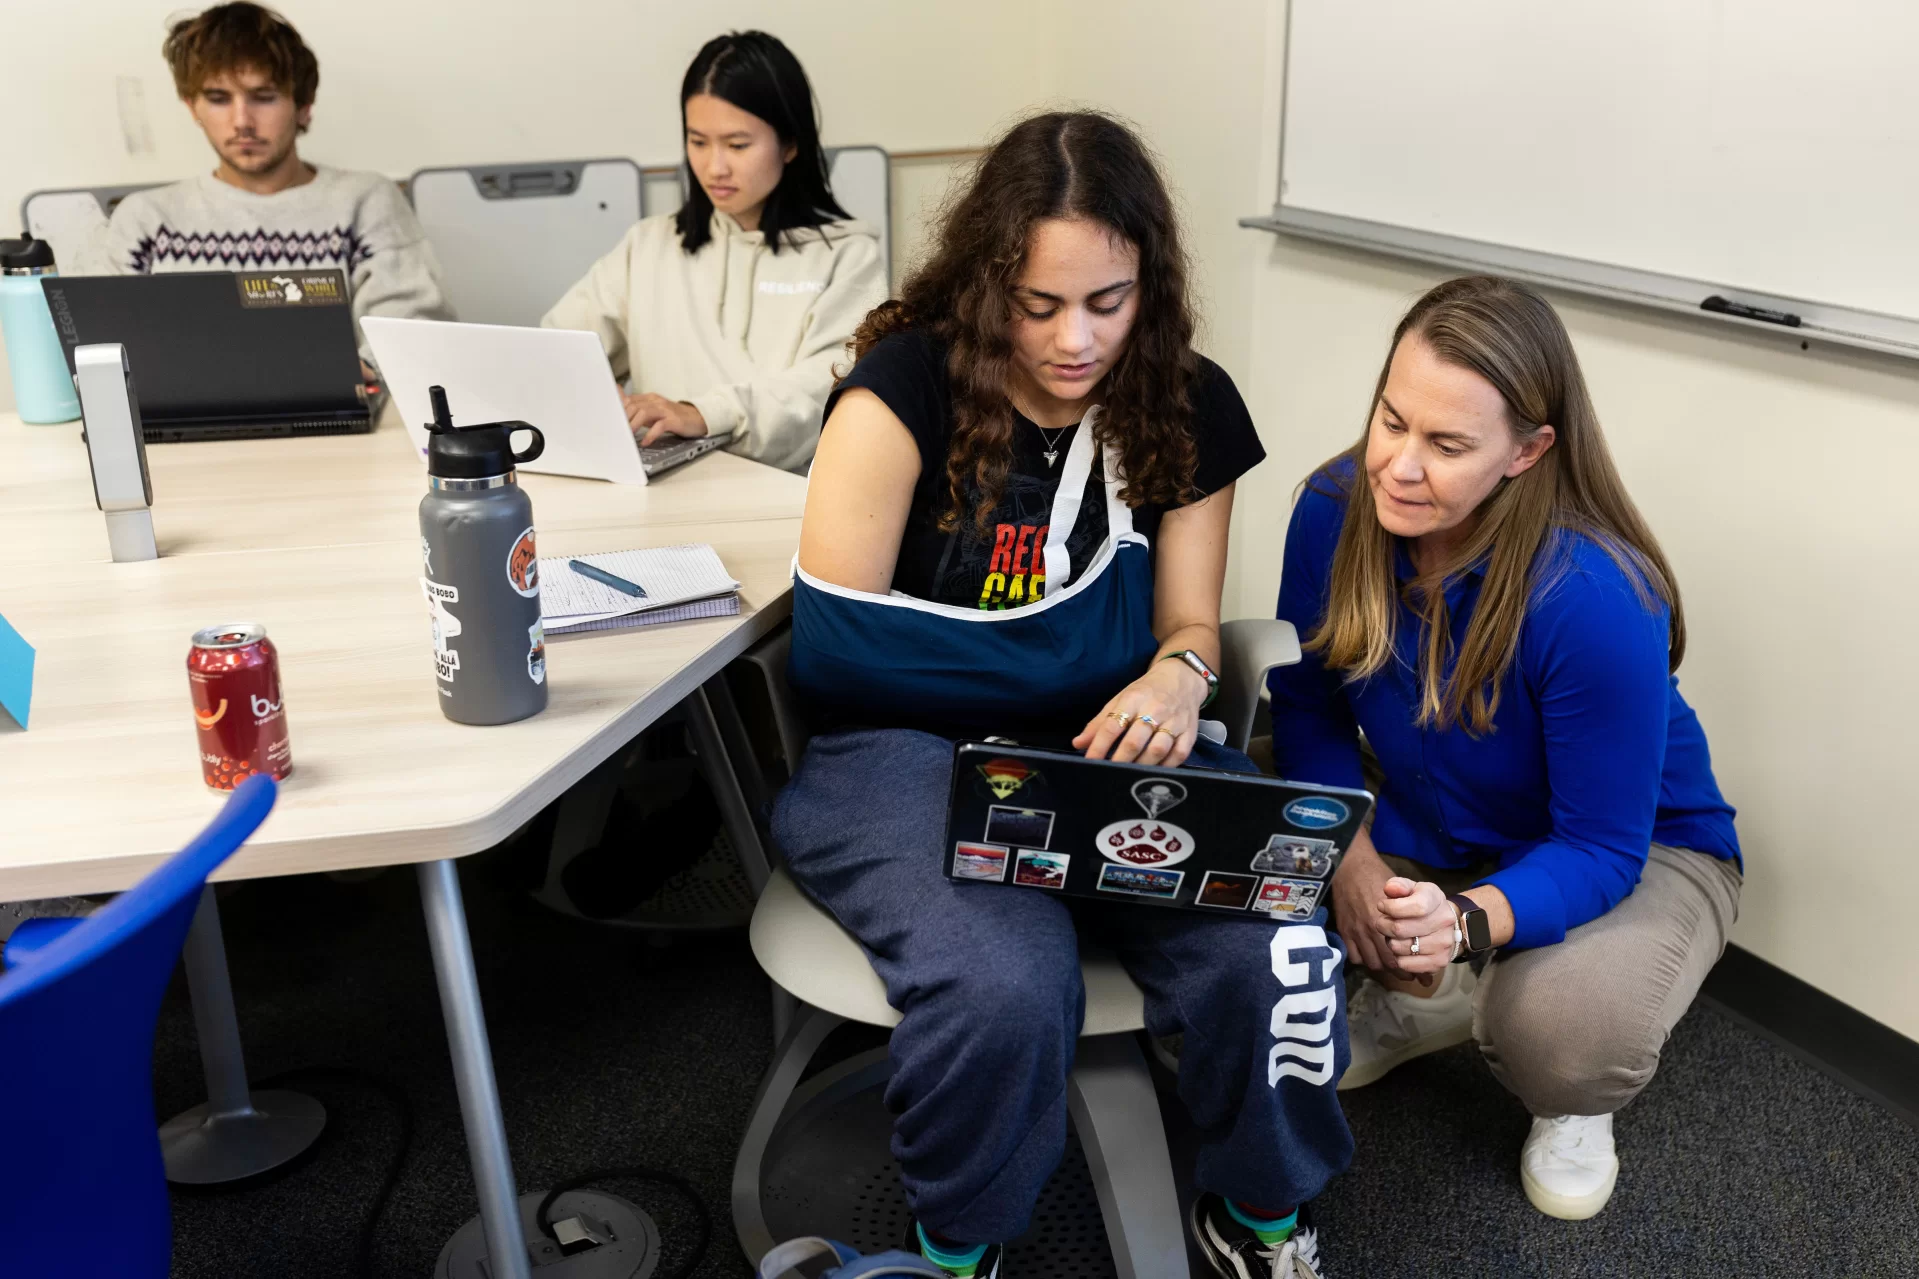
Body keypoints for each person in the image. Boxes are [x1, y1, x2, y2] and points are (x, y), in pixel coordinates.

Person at [772, 111, 1348, 1279]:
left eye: (1108, 301)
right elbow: (838, 648)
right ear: (989, 283)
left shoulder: (1183, 404)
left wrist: (1176, 673)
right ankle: (956, 1246)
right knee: (1003, 977)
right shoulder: (898, 394)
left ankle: (1257, 1215)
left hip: (1104, 743)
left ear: (1150, 282)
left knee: (1275, 940)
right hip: (901, 749)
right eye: (1038, 307)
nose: (1075, 340)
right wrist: (1070, 664)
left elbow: (1185, 624)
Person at [1269, 275, 1742, 1221]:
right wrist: (1350, 859)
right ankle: (1433, 997)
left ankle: (1560, 1087)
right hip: (1425, 811)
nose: (1399, 466)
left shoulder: (1593, 591)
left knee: (1561, 1036)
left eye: (1446, 445)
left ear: (1526, 451)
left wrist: (1463, 922)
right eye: (1390, 420)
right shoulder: (1332, 504)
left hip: (1635, 846)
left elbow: (1602, 846)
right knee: (1237, 878)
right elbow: (1309, 706)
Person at [541, 31, 887, 474]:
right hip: (660, 496)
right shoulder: (649, 245)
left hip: (788, 505)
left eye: (737, 145)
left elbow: (830, 387)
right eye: (698, 142)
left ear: (790, 144)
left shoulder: (847, 257)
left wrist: (706, 413)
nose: (714, 167)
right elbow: (559, 349)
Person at [87, 3, 453, 363]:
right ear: (192, 108)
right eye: (218, 99)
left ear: (304, 105)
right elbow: (105, 352)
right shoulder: (145, 218)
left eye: (264, 97)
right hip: (186, 420)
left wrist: (360, 372)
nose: (242, 121)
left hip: (344, 419)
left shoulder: (366, 201)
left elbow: (413, 339)